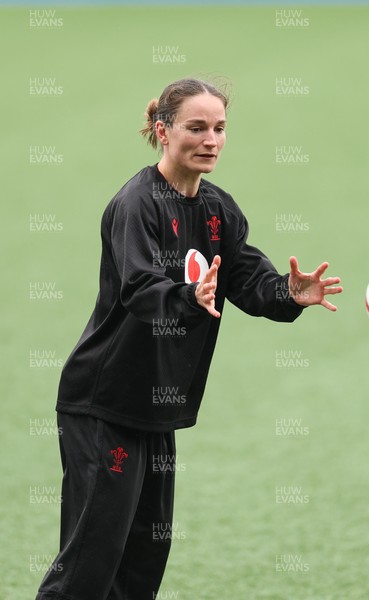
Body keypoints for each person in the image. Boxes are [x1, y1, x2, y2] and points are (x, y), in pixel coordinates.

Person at [35, 77, 343, 600]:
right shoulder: (137, 204)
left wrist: (290, 294)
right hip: (103, 405)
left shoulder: (219, 210)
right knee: (90, 563)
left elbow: (249, 280)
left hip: (157, 409)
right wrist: (186, 296)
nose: (211, 140)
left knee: (142, 565)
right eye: (196, 128)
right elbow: (138, 286)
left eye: (219, 128)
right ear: (163, 131)